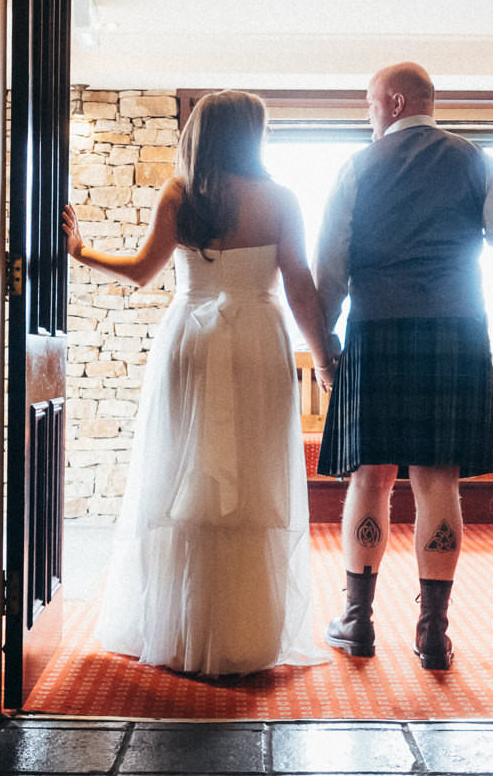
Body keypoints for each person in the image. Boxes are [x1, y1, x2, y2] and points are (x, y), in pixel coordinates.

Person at [313, 62, 493, 670]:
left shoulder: (357, 168)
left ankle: (358, 623)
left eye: (369, 106)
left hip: (376, 332)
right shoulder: (471, 158)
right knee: (437, 482)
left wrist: (325, 348)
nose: (368, 118)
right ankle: (431, 633)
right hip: (454, 334)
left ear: (392, 101)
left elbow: (330, 270)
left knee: (369, 478)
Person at [61, 89, 335, 677]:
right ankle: (246, 637)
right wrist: (325, 357)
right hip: (259, 343)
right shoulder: (281, 198)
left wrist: (80, 252)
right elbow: (300, 285)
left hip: (190, 340)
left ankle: (182, 632)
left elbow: (140, 272)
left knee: (183, 480)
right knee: (254, 483)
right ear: (250, 137)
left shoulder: (181, 195)